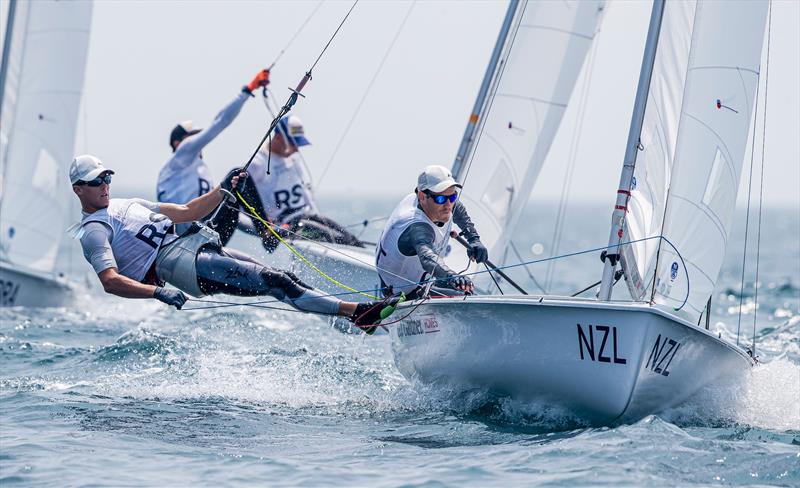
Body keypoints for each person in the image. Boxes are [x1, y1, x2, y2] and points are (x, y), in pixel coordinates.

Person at [70, 154, 396, 327]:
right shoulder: (94, 231)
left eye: (107, 177)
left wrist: (224, 188)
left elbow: (188, 210)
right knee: (276, 280)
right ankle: (357, 312)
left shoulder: (130, 203)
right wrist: (158, 292)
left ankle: (355, 316)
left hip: (200, 244)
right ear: (78, 189)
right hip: (183, 266)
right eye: (96, 181)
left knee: (285, 279)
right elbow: (111, 282)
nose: (104, 184)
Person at [212, 115, 364, 252]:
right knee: (334, 239)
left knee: (351, 240)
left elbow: (306, 196)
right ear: (278, 138)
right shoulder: (259, 163)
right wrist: (264, 227)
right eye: (293, 143)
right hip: (288, 224)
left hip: (309, 217)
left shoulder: (292, 160)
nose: (297, 148)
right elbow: (239, 190)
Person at [156, 69, 270, 233]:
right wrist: (248, 90)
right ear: (177, 143)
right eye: (192, 137)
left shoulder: (198, 170)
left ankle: (268, 233)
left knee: (233, 188)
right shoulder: (180, 157)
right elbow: (219, 122)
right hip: (189, 232)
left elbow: (228, 210)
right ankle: (266, 230)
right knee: (236, 175)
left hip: (205, 227)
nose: (197, 141)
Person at [376, 165, 488, 299]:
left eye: (452, 197)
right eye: (440, 199)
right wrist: (451, 276)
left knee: (468, 292)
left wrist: (474, 239)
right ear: (422, 196)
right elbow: (427, 258)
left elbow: (458, 209)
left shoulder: (439, 203)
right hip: (403, 295)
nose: (448, 205)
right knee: (466, 297)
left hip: (424, 280)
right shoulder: (415, 225)